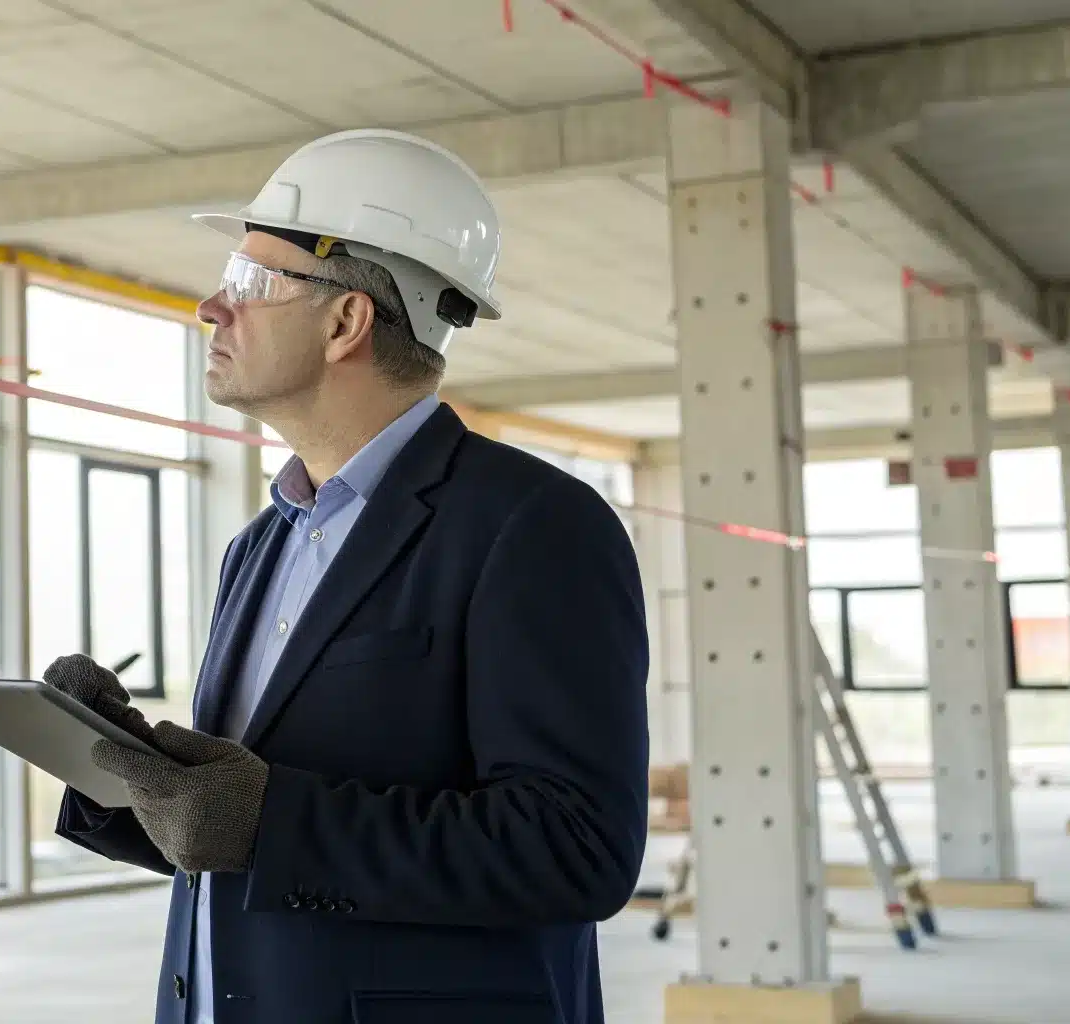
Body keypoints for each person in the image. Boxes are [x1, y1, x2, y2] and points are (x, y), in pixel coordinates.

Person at [46, 128, 648, 1024]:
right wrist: (124, 772)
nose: (214, 305)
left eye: (252, 281)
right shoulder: (260, 544)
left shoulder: (533, 525)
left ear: (345, 322)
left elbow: (574, 847)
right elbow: (240, 829)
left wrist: (270, 820)